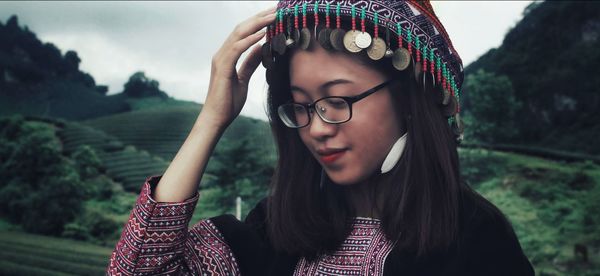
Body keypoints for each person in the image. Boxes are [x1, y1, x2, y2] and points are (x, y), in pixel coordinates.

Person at [107, 1, 535, 275]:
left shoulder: (476, 240)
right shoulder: (276, 228)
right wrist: (213, 118)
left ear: (408, 99)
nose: (316, 127)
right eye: (301, 106)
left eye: (339, 99)